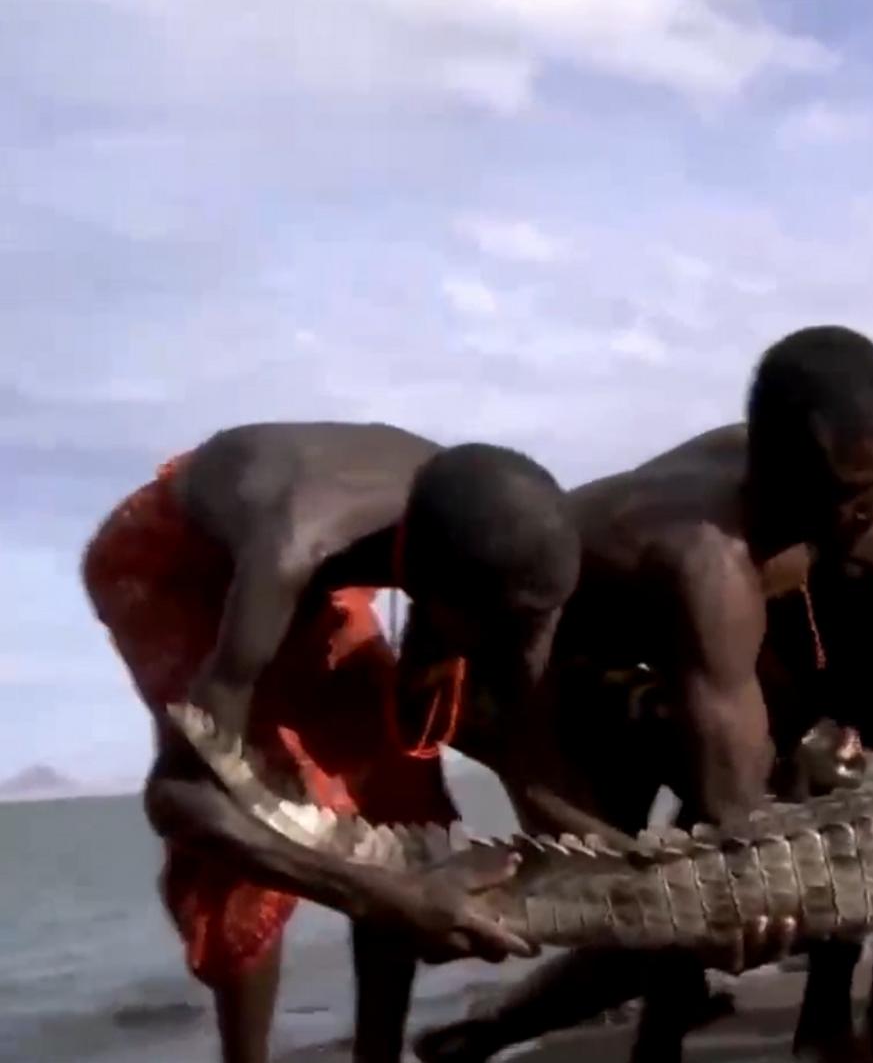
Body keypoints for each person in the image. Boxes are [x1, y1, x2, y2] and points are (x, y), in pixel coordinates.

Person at [413, 326, 873, 1063]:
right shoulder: (709, 562)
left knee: (805, 796)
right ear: (794, 484)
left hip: (635, 666)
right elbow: (731, 822)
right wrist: (751, 896)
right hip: (516, 684)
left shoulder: (788, 483)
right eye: (858, 495)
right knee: (662, 905)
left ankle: (699, 1026)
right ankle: (478, 1038)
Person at [79, 426, 591, 1063]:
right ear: (435, 595)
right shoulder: (292, 550)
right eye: (501, 629)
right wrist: (384, 895)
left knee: (404, 794)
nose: (516, 646)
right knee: (250, 806)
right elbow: (181, 796)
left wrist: (582, 859)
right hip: (179, 562)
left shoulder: (481, 524)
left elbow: (514, 720)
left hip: (336, 555)